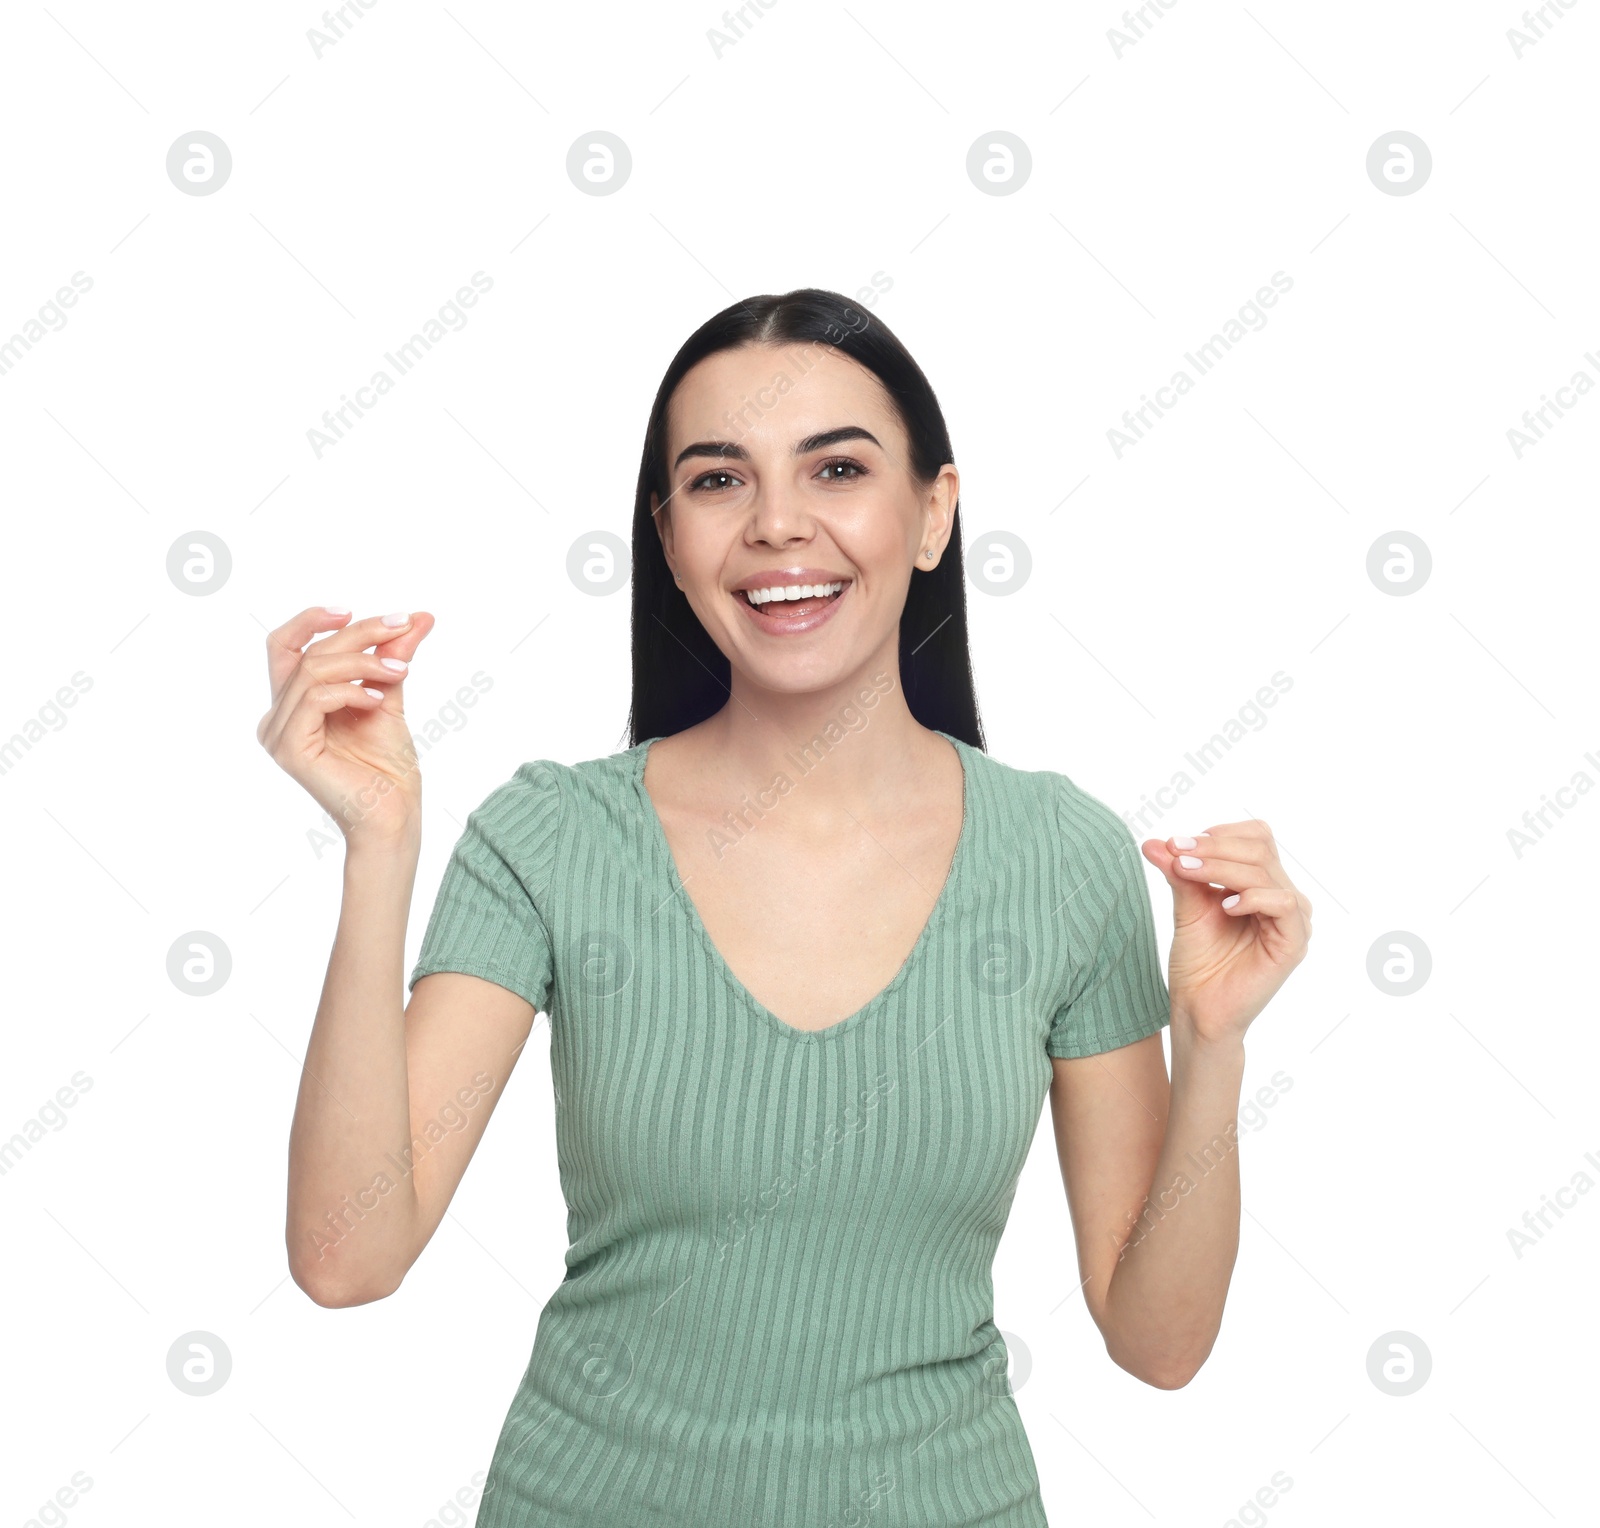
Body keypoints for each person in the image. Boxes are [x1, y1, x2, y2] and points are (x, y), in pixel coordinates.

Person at [260, 288, 1311, 1526]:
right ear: (666, 536)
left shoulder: (1063, 858)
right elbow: (346, 1256)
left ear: (932, 514)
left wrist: (1216, 1045)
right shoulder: (552, 839)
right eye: (717, 481)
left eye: (837, 468)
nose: (775, 524)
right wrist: (378, 848)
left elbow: (1159, 1342)